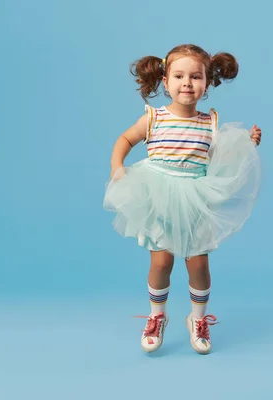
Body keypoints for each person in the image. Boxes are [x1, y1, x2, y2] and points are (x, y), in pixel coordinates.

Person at [103, 44, 263, 355]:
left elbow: (221, 158)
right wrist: (117, 167)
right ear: (165, 81)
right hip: (159, 196)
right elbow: (125, 139)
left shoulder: (210, 123)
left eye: (195, 76)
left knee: (199, 264)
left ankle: (197, 319)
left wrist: (246, 144)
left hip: (194, 198)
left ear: (207, 83)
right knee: (161, 261)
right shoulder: (154, 118)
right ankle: (156, 316)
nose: (187, 83)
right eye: (179, 76)